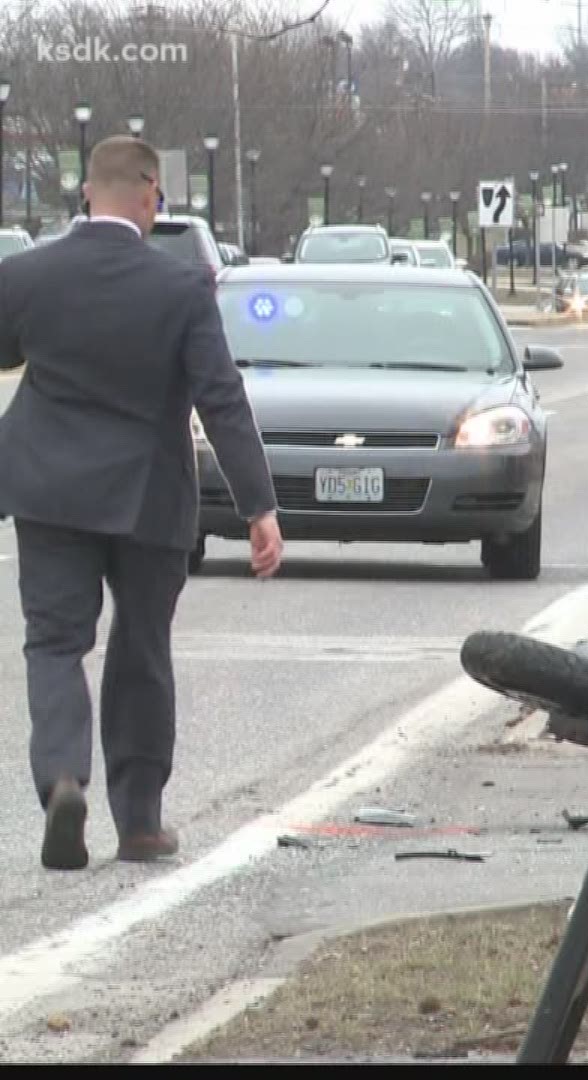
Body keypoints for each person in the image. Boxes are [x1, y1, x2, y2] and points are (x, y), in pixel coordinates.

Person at [0, 135, 283, 870]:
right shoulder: (181, 289)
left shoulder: (28, 276)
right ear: (153, 196)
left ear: (86, 194)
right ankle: (140, 822)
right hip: (149, 500)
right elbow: (221, 398)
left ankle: (63, 777)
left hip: (50, 491)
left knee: (55, 643)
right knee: (142, 650)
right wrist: (259, 505)